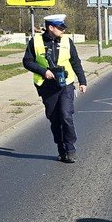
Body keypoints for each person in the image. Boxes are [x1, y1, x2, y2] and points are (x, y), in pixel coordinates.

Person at [22, 13, 87, 163]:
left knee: (66, 115)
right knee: (54, 119)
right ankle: (61, 149)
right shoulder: (35, 41)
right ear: (51, 27)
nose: (63, 30)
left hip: (66, 84)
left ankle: (70, 149)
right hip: (47, 86)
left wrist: (82, 81)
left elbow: (75, 62)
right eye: (60, 27)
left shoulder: (67, 41)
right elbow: (27, 61)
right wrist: (43, 71)